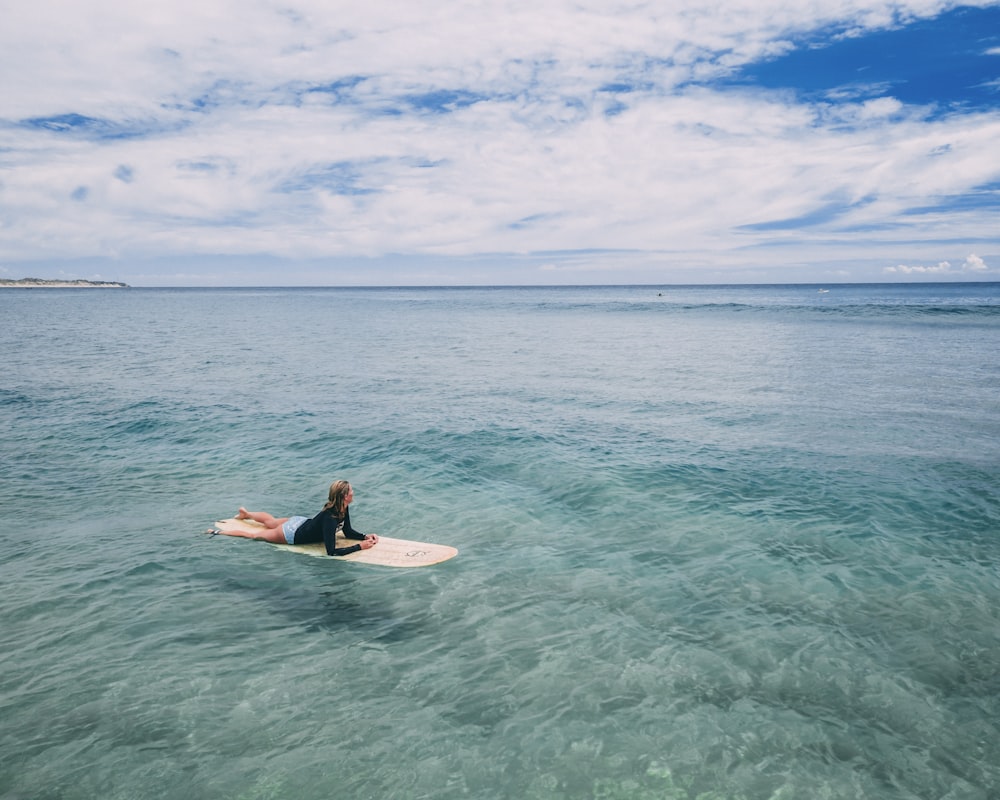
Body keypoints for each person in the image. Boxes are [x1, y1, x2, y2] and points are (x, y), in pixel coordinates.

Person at [211, 480, 378, 556]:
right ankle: (218, 533)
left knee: (271, 521)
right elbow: (331, 552)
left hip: (301, 521)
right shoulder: (330, 517)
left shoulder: (343, 507)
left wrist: (364, 536)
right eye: (350, 492)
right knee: (255, 536)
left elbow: (347, 531)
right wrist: (359, 547)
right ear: (344, 496)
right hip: (291, 533)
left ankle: (246, 515)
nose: (353, 493)